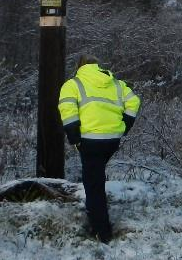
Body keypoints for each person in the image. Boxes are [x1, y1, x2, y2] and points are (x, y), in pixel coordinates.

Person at [58, 54, 141, 243]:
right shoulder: (115, 83)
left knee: (93, 184)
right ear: (97, 65)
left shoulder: (73, 84)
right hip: (112, 139)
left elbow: (68, 110)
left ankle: (101, 231)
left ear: (79, 67)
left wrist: (74, 138)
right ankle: (97, 216)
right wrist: (124, 126)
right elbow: (134, 102)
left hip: (90, 140)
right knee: (96, 175)